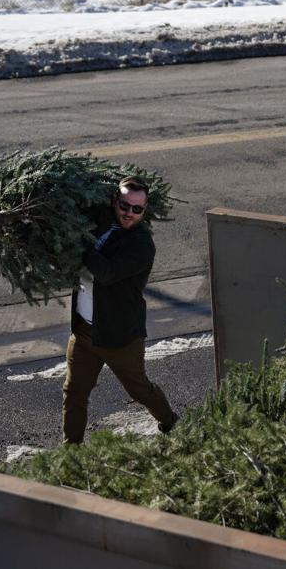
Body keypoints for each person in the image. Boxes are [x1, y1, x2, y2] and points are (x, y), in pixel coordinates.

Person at [61, 176, 178, 444]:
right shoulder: (102, 224)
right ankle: (72, 451)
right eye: (125, 205)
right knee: (74, 391)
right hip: (84, 331)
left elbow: (107, 273)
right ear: (116, 201)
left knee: (139, 389)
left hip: (120, 335)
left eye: (137, 209)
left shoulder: (141, 244)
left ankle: (170, 422)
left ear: (145, 210)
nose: (129, 213)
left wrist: (79, 244)